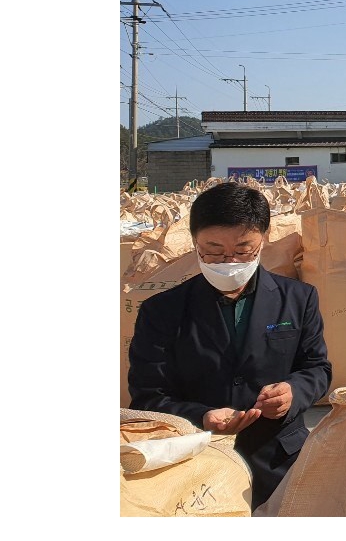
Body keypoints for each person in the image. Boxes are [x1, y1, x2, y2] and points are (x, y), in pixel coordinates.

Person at [127, 183, 332, 510]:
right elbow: (148, 395)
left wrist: (293, 391)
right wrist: (203, 416)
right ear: (195, 243)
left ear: (263, 239)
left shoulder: (297, 298)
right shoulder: (162, 311)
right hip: (197, 466)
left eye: (242, 248)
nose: (229, 261)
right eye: (214, 249)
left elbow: (317, 368)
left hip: (280, 460)